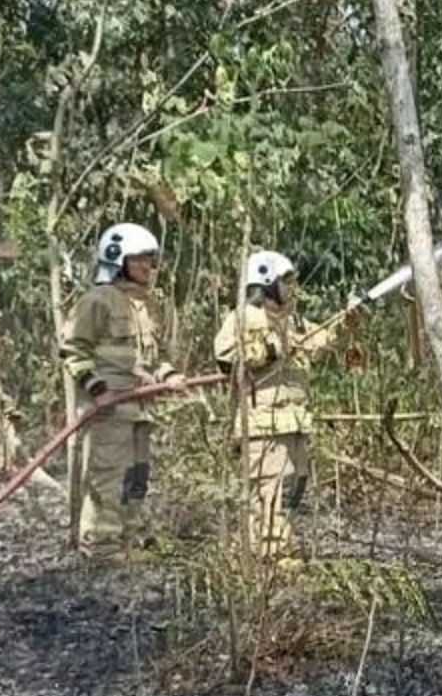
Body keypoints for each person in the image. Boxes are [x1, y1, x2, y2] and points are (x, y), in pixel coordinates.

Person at [59, 222, 187, 561]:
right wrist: (97, 390)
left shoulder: (146, 306)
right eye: (141, 259)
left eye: (151, 260)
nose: (149, 266)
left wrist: (170, 376)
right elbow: (72, 351)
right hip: (110, 409)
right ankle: (100, 548)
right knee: (108, 476)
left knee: (137, 477)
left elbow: (152, 358)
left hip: (140, 409)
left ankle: (127, 543)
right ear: (118, 259)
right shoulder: (97, 301)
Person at [213, 249, 341, 562]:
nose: (291, 287)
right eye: (285, 281)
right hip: (261, 422)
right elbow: (225, 358)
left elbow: (321, 344)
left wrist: (346, 323)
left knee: (292, 487)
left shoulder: (294, 321)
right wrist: (272, 348)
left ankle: (275, 545)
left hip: (294, 421)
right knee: (269, 488)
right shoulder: (244, 318)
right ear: (266, 283)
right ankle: (271, 554)